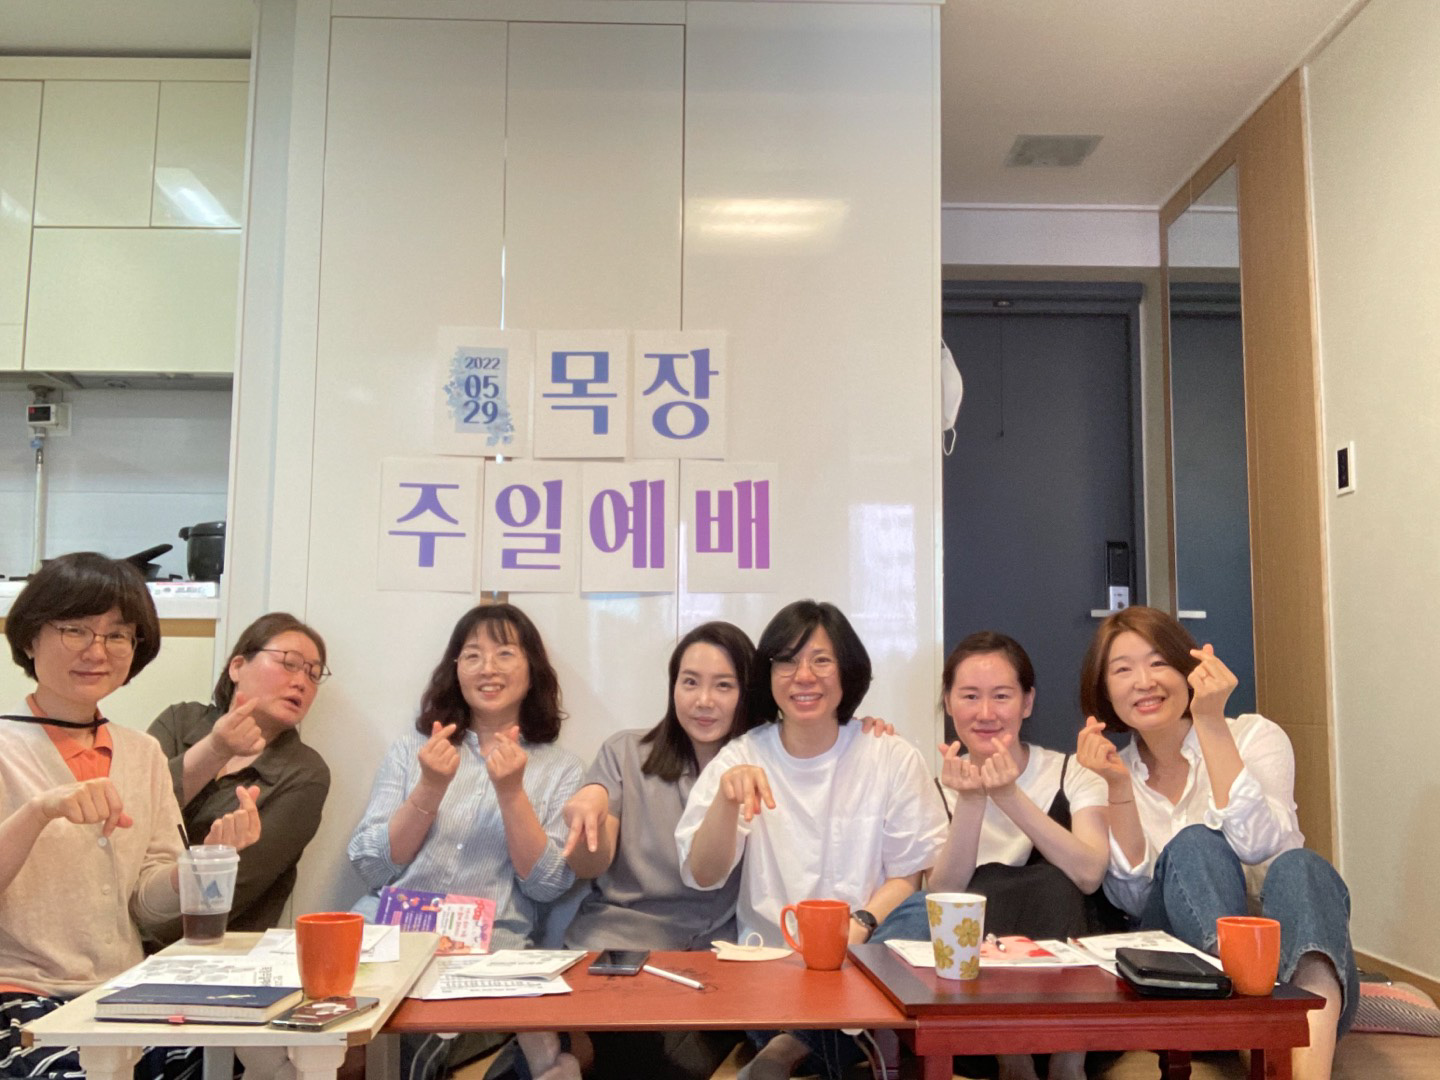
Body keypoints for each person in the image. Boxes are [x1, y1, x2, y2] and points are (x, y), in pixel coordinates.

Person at [0, 552, 260, 1080]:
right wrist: (38, 812)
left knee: (235, 1061)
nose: (97, 650)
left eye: (117, 635)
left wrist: (203, 864)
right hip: (21, 997)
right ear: (30, 639)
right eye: (75, 629)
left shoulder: (143, 754)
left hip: (122, 995)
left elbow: (144, 901)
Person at [1076, 606, 1357, 1080]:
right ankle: (1261, 1046)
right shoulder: (1100, 770)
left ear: (1188, 668)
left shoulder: (1255, 735)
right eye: (1122, 670)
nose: (1144, 681)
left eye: (1158, 662)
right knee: (1194, 846)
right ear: (1103, 690)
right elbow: (1134, 901)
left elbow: (1262, 846)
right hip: (1184, 983)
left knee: (1303, 867)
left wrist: (1210, 724)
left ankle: (1300, 1066)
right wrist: (1119, 788)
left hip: (1293, 984)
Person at [677, 600, 947, 1080]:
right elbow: (703, 873)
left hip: (867, 957)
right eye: (787, 661)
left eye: (821, 660)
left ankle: (790, 1050)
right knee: (867, 1009)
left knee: (928, 913)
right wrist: (725, 801)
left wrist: (859, 927)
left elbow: (909, 876)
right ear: (769, 675)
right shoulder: (741, 757)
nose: (803, 676)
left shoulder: (890, 755)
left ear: (847, 671)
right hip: (778, 975)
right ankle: (846, 1039)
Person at [348, 602, 583, 1080]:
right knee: (309, 1039)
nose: (487, 668)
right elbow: (370, 864)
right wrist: (430, 788)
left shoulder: (561, 768)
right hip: (387, 942)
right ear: (455, 670)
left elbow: (548, 886)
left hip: (488, 956)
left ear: (532, 669)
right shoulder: (412, 750)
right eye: (472, 655)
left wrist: (511, 793)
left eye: (505, 653)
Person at [148, 612, 331, 937]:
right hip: (117, 928)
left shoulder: (304, 773)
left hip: (207, 946)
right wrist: (215, 749)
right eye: (289, 663)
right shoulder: (180, 722)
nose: (302, 682)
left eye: (313, 674)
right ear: (237, 667)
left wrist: (138, 935)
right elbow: (135, 815)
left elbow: (233, 890)